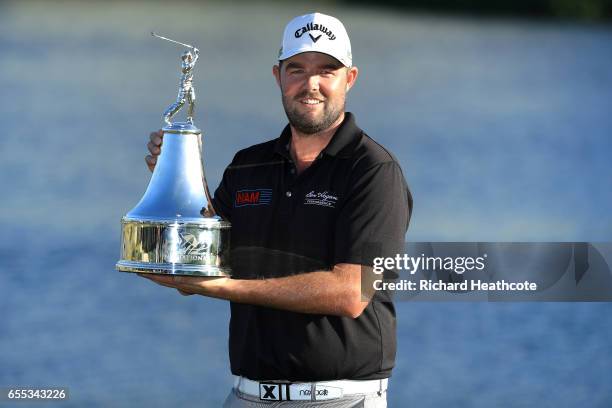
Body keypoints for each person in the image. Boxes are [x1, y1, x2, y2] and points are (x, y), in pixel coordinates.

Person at [143, 12, 412, 407]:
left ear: (350, 79)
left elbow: (350, 293)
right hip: (247, 395)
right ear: (278, 76)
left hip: (342, 400)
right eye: (297, 69)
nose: (312, 84)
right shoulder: (248, 165)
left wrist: (224, 289)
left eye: (327, 71)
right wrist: (174, 175)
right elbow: (199, 261)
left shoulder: (373, 170)